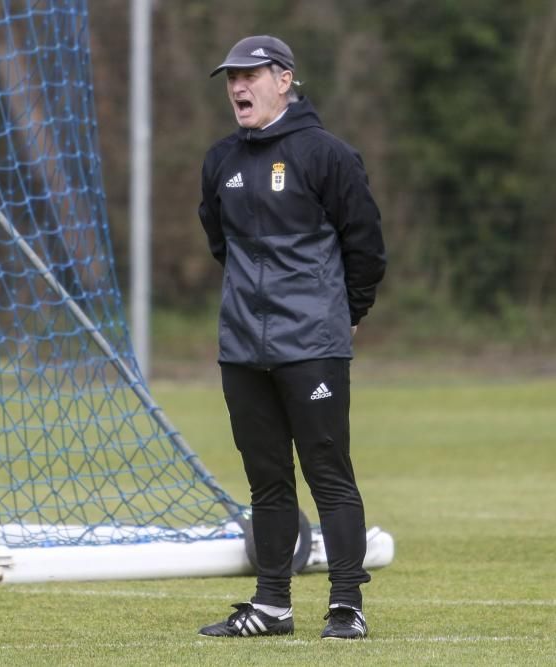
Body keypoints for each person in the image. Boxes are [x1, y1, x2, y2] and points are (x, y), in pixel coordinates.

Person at [195, 35, 387, 640]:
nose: (237, 87)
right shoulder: (220, 159)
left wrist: (345, 311)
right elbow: (220, 242)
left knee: (328, 471)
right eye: (230, 78)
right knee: (267, 478)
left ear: (284, 79)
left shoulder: (327, 155)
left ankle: (346, 605)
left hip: (313, 344)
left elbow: (366, 245)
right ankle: (272, 605)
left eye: (249, 75)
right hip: (242, 347)